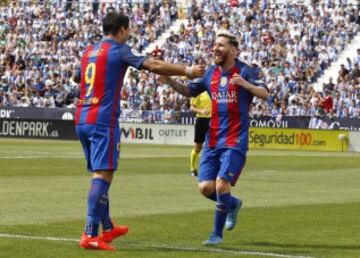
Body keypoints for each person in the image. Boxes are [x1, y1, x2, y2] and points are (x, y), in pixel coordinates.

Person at [74, 12, 205, 251]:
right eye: (128, 29)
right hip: (102, 119)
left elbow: (77, 78)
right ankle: (90, 233)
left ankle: (108, 227)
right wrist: (187, 70)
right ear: (122, 30)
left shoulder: (88, 51)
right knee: (103, 175)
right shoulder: (118, 49)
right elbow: (153, 65)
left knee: (100, 173)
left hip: (82, 117)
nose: (129, 33)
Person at [160, 32, 269, 245]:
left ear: (233, 50)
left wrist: (245, 85)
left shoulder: (245, 70)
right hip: (213, 140)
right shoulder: (211, 73)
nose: (215, 48)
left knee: (221, 185)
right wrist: (169, 81)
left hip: (235, 139)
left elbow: (265, 93)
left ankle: (216, 235)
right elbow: (188, 90)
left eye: (220, 45)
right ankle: (233, 204)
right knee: (205, 188)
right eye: (214, 45)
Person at [189, 91, 211, 177]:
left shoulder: (215, 89)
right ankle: (192, 168)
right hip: (202, 120)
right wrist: (200, 110)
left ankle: (209, 168)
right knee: (198, 147)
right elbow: (191, 108)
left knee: (213, 145)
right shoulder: (199, 91)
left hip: (214, 120)